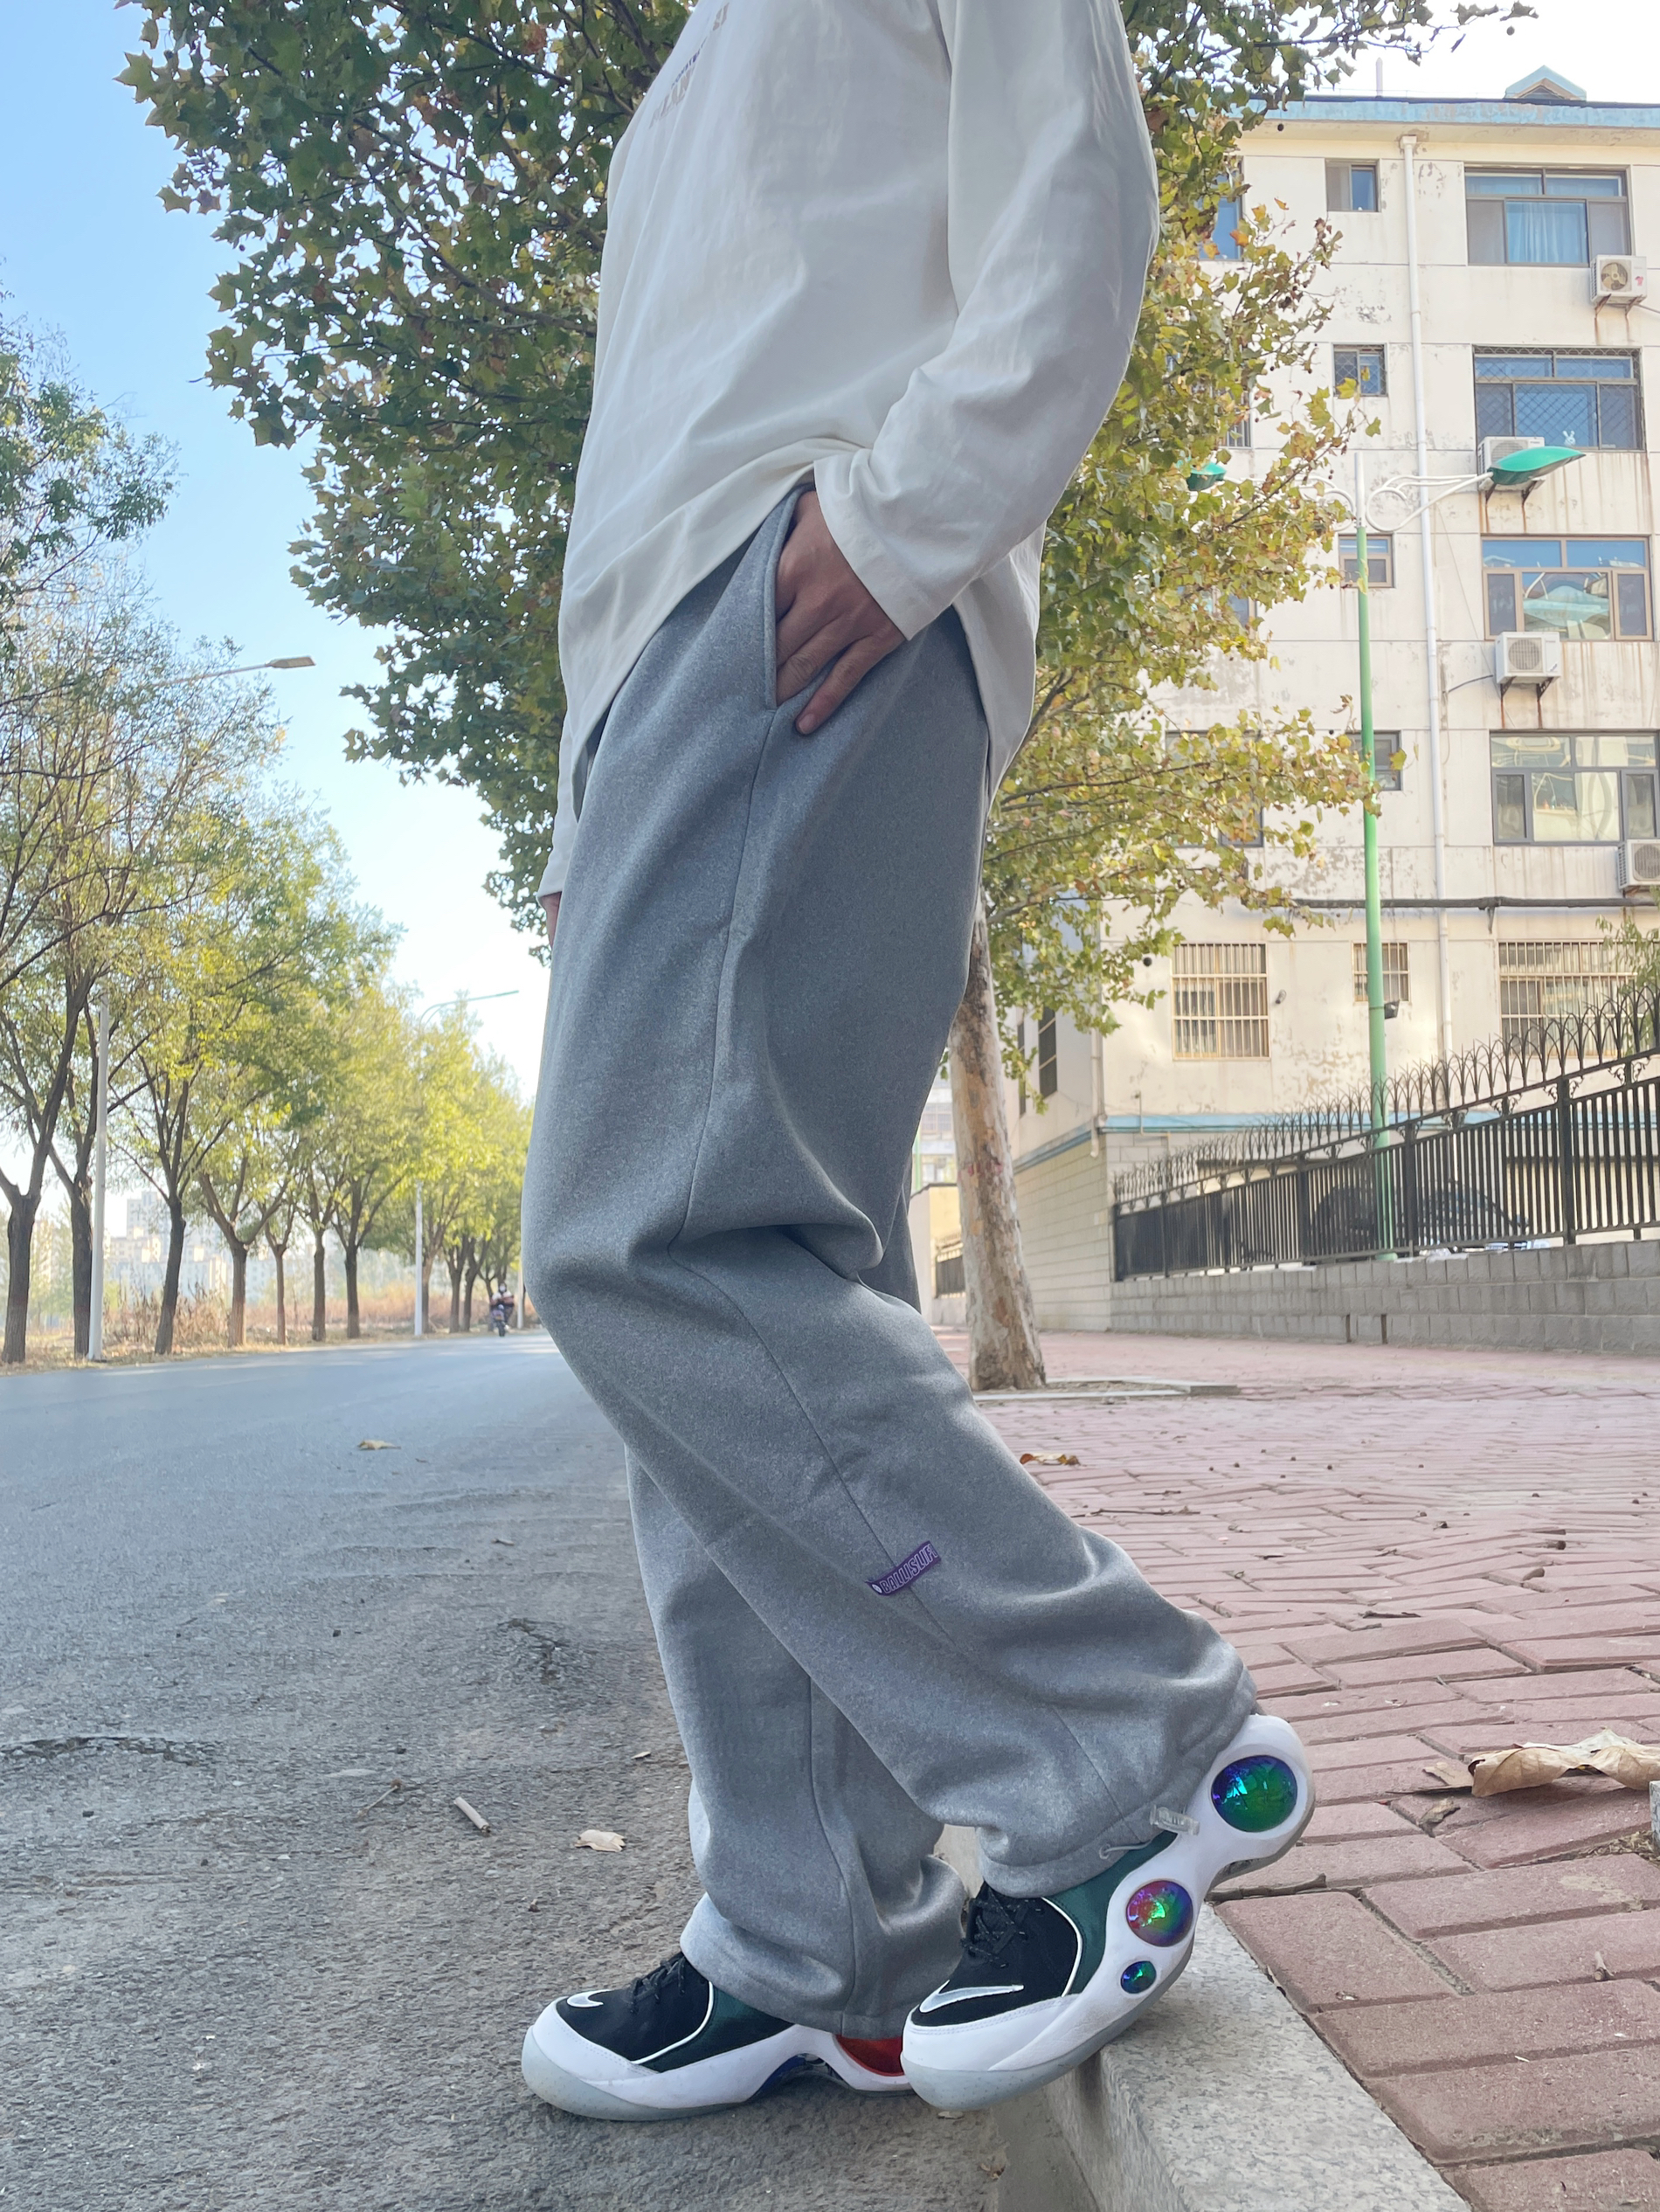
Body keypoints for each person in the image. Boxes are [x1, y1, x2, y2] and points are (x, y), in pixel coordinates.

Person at [519, 0, 1311, 2125]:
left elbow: (1073, 175)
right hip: (669, 669)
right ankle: (818, 1939)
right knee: (749, 1299)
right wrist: (588, 787)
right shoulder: (681, 74)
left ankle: (1123, 1754)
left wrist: (895, 522)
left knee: (646, 1252)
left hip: (791, 603)